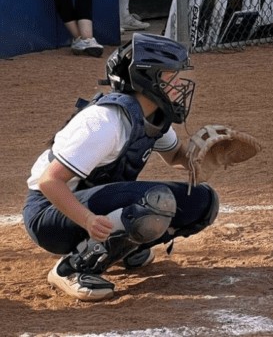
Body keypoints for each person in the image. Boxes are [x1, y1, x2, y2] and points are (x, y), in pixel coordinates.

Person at [22, 32, 220, 302]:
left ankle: (122, 247)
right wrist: (87, 220)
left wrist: (206, 156)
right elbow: (49, 182)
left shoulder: (152, 116)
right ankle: (71, 268)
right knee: (155, 202)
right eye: (170, 76)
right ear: (147, 79)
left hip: (89, 202)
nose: (178, 84)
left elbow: (176, 157)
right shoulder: (105, 122)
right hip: (49, 214)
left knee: (203, 201)